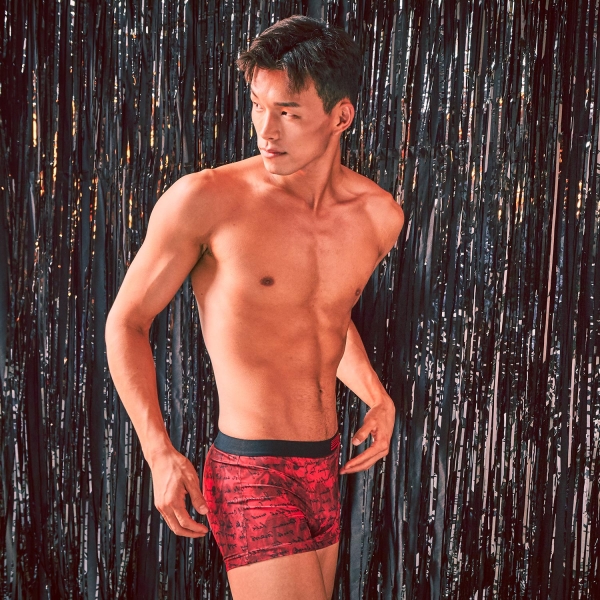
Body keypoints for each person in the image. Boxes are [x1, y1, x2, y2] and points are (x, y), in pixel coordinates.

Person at [105, 14, 404, 600]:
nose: (266, 130)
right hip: (252, 471)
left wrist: (376, 395)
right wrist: (158, 452)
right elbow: (127, 321)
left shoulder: (377, 216)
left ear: (341, 116)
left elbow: (323, 315)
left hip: (325, 465)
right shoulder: (206, 200)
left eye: (288, 113)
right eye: (257, 105)